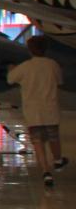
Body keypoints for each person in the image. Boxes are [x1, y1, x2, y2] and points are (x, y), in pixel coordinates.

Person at [6, 34, 66, 186]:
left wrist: (11, 69)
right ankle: (58, 160)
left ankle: (46, 172)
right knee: (53, 137)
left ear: (30, 50)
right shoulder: (53, 65)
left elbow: (10, 79)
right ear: (45, 49)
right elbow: (59, 81)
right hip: (50, 108)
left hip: (33, 111)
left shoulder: (26, 67)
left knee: (38, 142)